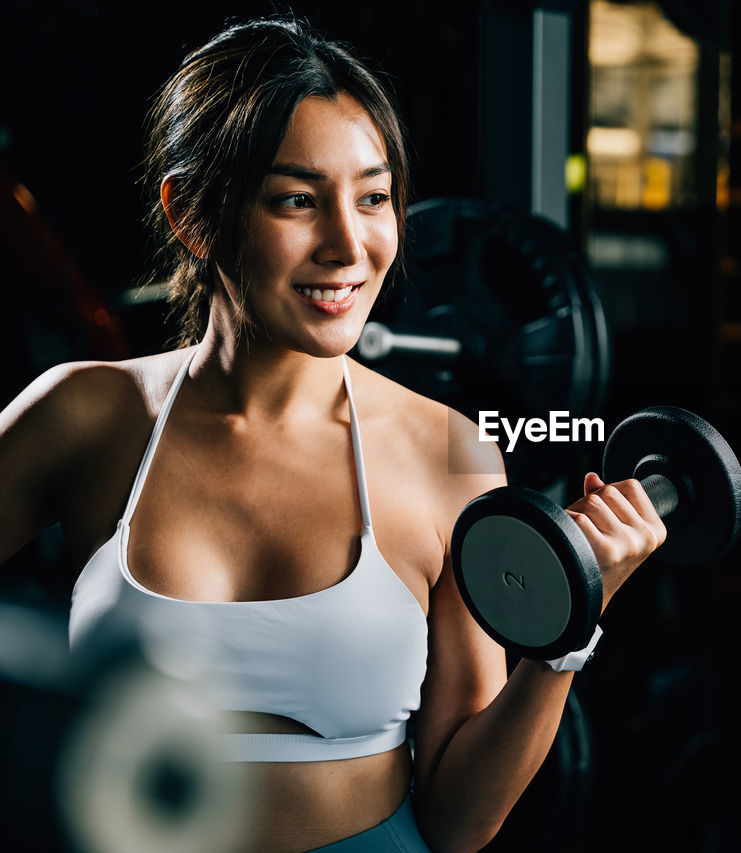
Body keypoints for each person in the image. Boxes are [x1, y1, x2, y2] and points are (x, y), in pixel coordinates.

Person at [0, 15, 665, 853]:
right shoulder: (85, 417)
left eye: (376, 197)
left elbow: (460, 821)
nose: (350, 246)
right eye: (297, 200)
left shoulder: (451, 454)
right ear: (193, 215)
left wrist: (566, 632)